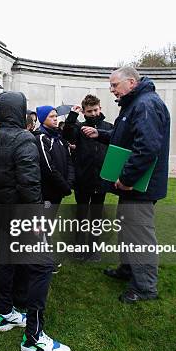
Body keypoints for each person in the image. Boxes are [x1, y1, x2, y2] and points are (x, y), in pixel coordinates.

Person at [0, 91, 71, 351]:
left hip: (2, 212)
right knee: (42, 266)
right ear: (17, 111)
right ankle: (33, 338)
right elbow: (29, 183)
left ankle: (5, 313)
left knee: (8, 262)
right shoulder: (23, 138)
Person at [82, 66, 170, 303]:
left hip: (140, 187)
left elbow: (147, 148)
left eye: (114, 85)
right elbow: (123, 137)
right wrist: (99, 134)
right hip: (133, 187)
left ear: (131, 82)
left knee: (140, 235)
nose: (111, 91)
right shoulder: (136, 104)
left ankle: (145, 288)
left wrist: (127, 178)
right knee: (128, 230)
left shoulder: (146, 105)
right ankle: (128, 269)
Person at [62, 94, 113, 261]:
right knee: (81, 215)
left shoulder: (109, 127)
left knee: (97, 216)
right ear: (84, 112)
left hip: (101, 179)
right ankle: (79, 248)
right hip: (83, 179)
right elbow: (67, 135)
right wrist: (72, 116)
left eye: (96, 110)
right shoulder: (79, 127)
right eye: (89, 111)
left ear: (100, 108)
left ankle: (93, 249)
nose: (93, 113)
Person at [35, 106, 75, 205]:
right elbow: (48, 167)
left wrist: (69, 183)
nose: (55, 118)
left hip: (59, 189)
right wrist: (64, 185)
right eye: (51, 116)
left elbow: (68, 160)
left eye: (56, 116)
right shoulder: (41, 138)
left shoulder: (58, 137)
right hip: (48, 191)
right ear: (43, 119)